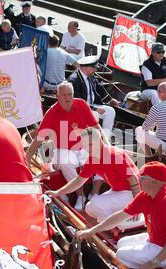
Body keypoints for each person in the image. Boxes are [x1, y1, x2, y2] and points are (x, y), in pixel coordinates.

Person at [77, 161, 166, 269]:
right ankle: (143, 261)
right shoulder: (145, 195)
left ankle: (156, 267)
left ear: (154, 182)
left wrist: (154, 263)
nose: (138, 181)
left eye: (142, 178)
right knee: (122, 243)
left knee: (121, 255)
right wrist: (92, 231)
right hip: (157, 240)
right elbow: (120, 216)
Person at [26, 82, 107, 211]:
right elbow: (38, 139)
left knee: (102, 153)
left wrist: (107, 145)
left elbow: (96, 127)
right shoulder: (51, 113)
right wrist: (27, 158)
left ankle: (94, 192)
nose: (67, 97)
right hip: (63, 150)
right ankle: (80, 195)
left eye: (70, 94)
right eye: (64, 95)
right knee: (65, 160)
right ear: (57, 96)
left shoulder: (81, 104)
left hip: (83, 147)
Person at [46, 127, 141, 222]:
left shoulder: (114, 155)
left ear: (100, 140)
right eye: (85, 145)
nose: (88, 148)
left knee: (95, 204)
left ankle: (117, 222)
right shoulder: (92, 159)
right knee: (89, 208)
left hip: (132, 193)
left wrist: (137, 205)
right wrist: (57, 193)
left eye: (91, 144)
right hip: (118, 191)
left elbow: (133, 178)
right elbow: (79, 180)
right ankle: (117, 221)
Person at [68, 55, 120, 137]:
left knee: (111, 111)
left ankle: (105, 138)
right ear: (86, 68)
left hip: (91, 105)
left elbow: (100, 88)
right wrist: (95, 108)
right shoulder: (74, 80)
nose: (96, 70)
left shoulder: (91, 76)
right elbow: (79, 102)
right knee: (94, 114)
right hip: (81, 109)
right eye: (94, 68)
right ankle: (92, 141)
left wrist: (110, 100)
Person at [136, 82, 166, 155]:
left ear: (159, 92)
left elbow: (145, 127)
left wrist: (151, 128)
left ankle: (149, 157)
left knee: (139, 130)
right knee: (159, 133)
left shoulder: (156, 108)